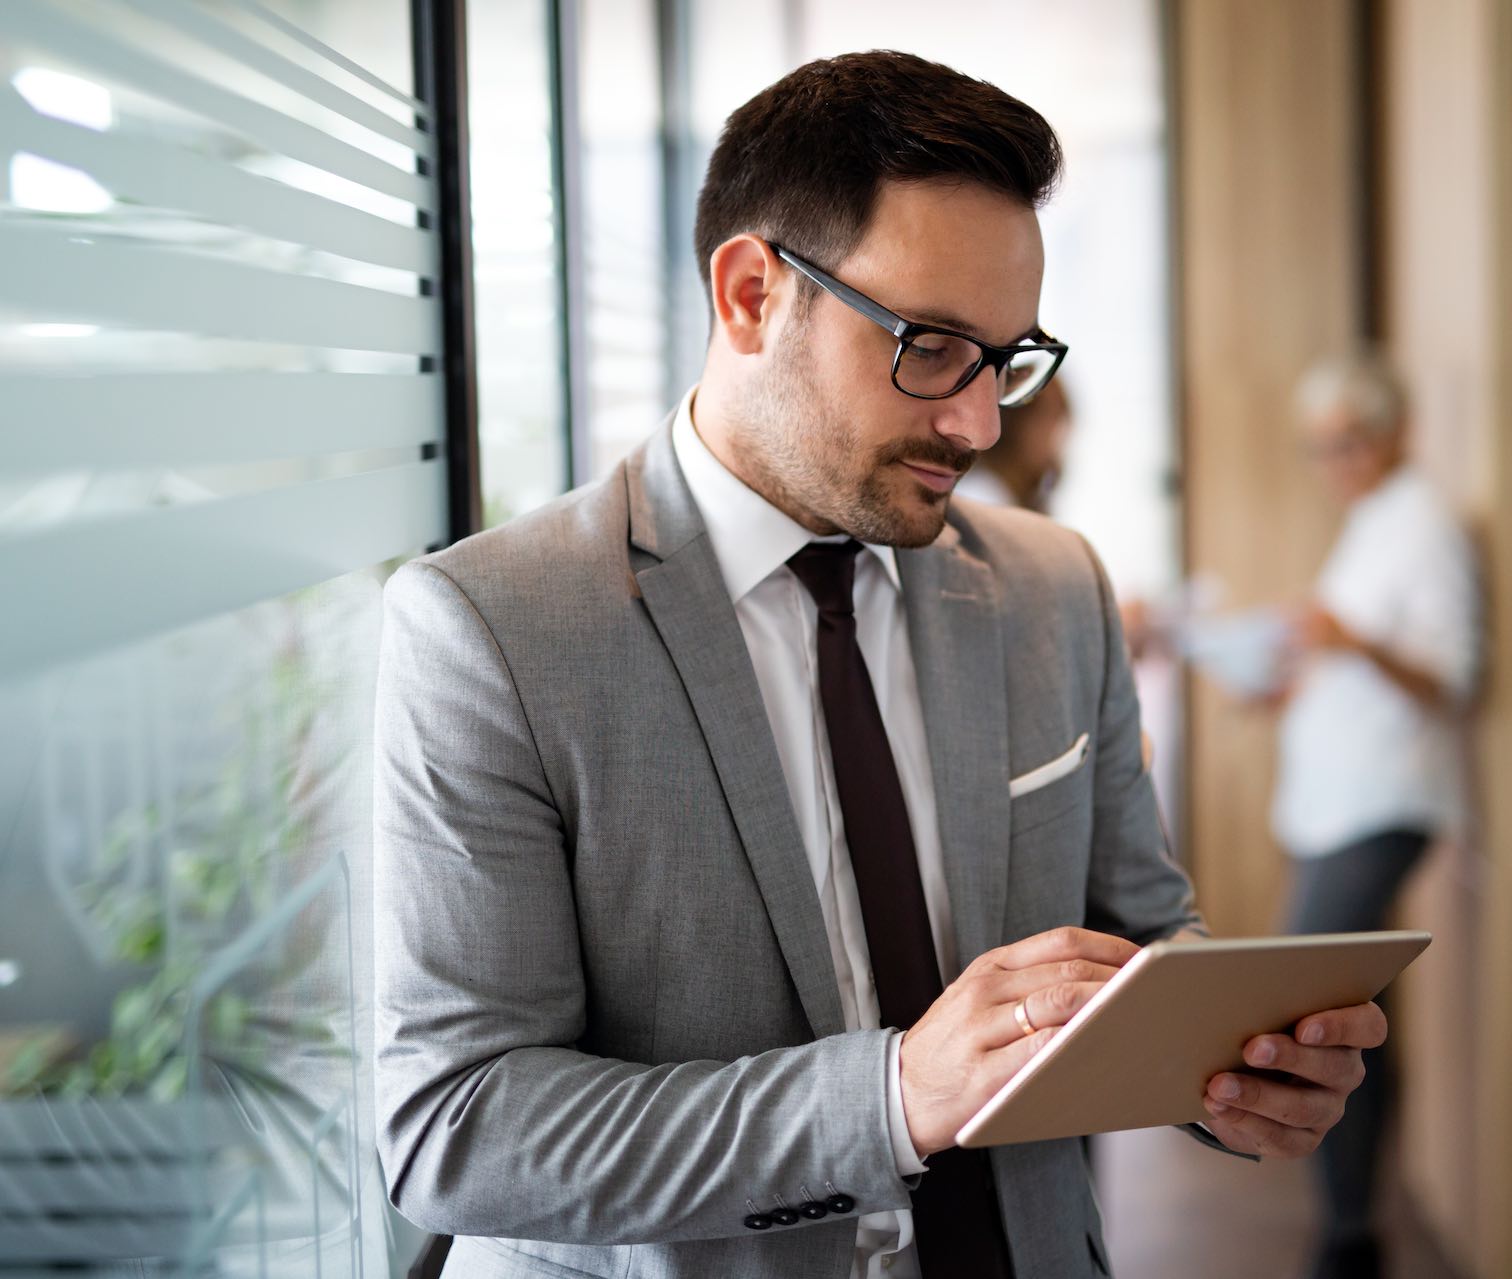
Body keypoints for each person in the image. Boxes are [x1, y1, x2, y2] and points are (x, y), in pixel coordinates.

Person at [372, 51, 1385, 1279]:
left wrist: (1229, 1071)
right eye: (934, 347)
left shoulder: (1054, 589)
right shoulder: (491, 630)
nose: (979, 424)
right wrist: (894, 1095)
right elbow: (457, 1129)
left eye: (1006, 358)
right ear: (751, 294)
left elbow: (1138, 942)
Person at [1269, 351, 1479, 1279]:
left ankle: (1345, 1231)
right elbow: (1351, 659)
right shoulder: (1370, 524)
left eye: (1348, 442)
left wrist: (1351, 640)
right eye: (1319, 449)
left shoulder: (1425, 525)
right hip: (1332, 802)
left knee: (1306, 987)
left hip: (1385, 802)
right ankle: (1357, 1224)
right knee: (1357, 1013)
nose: (1334, 463)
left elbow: (1453, 676)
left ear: (1396, 431)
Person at [955, 375, 1073, 513]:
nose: (1058, 439)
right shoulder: (984, 498)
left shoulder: (1016, 495)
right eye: (1054, 422)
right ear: (1020, 425)